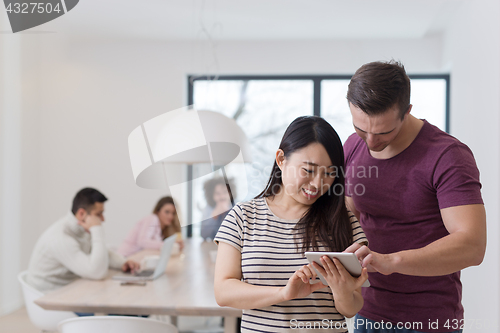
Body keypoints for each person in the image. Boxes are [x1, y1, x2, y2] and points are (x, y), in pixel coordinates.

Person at [343, 61, 486, 333]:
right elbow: (351, 214)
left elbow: (472, 245)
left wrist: (390, 261)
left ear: (407, 111)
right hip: (367, 311)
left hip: (428, 319)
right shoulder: (352, 145)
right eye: (361, 128)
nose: (371, 142)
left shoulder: (448, 156)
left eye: (384, 131)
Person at [214, 116, 369, 333]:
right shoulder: (243, 217)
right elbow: (223, 292)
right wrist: (284, 293)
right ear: (281, 159)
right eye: (308, 170)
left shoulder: (344, 221)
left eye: (329, 173)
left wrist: (342, 291)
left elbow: (352, 308)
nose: (317, 184)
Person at [27, 188, 140, 293]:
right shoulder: (61, 238)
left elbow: (100, 253)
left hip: (70, 289)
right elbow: (97, 273)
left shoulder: (81, 230)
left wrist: (122, 262)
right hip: (50, 298)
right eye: (98, 214)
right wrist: (97, 229)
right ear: (81, 214)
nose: (102, 219)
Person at [117, 196, 183, 257]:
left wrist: (175, 246)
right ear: (158, 211)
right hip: (125, 259)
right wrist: (167, 245)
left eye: (173, 213)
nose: (170, 216)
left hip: (135, 260)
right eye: (167, 212)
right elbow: (142, 242)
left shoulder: (162, 230)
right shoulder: (152, 218)